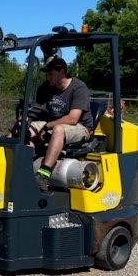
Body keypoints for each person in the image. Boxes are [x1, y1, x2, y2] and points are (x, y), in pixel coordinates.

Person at [30, 56, 93, 191]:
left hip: (80, 127)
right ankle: (21, 166)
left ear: (62, 72)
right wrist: (24, 121)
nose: (47, 77)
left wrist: (46, 127)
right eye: (47, 74)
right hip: (53, 123)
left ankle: (44, 174)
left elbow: (72, 119)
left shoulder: (78, 87)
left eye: (50, 74)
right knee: (27, 128)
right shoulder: (47, 87)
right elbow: (36, 109)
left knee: (58, 129)